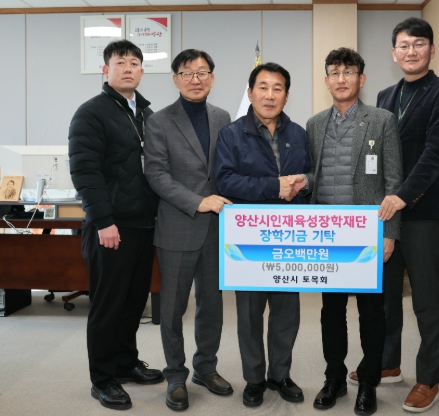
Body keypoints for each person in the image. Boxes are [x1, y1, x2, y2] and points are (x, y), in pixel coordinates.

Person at [347, 17, 439, 413]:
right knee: (385, 296)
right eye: (403, 45)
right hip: (383, 215)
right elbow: (375, 155)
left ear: (431, 49)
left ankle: (429, 379)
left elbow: (435, 155)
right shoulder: (385, 95)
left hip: (420, 212)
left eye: (418, 44)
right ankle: (388, 363)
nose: (411, 51)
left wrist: (402, 196)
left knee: (426, 299)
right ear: (393, 53)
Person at [305, 47, 402, 416]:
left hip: (367, 235)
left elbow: (394, 182)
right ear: (326, 80)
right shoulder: (315, 124)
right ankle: (334, 377)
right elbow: (314, 176)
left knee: (371, 312)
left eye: (349, 72)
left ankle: (369, 382)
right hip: (328, 235)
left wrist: (389, 232)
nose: (341, 78)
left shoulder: (381, 120)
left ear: (361, 79)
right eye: (335, 72)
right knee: (331, 311)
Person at [68, 39, 163, 411]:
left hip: (144, 224)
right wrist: (103, 221)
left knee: (133, 302)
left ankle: (126, 363)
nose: (128, 68)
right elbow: (85, 172)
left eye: (134, 62)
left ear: (142, 71)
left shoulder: (147, 114)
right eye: (120, 62)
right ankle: (103, 378)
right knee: (108, 305)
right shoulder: (91, 113)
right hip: (111, 227)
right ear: (105, 70)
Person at [214, 62, 310, 408]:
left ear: (286, 94)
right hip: (249, 238)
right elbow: (224, 181)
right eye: (263, 87)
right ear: (251, 92)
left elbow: (309, 177)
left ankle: (279, 375)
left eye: (278, 88)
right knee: (250, 314)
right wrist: (273, 187)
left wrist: (301, 185)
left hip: (289, 238)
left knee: (287, 313)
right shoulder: (230, 134)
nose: (270, 95)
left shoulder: (299, 133)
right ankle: (254, 378)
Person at [144, 49, 233, 411]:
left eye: (202, 72)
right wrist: (199, 201)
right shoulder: (159, 121)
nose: (195, 79)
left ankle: (205, 368)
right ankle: (176, 375)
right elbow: (156, 174)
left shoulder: (223, 117)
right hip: (178, 226)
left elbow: (228, 168)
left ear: (212, 77)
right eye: (187, 73)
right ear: (176, 79)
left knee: (212, 306)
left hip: (217, 230)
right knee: (172, 309)